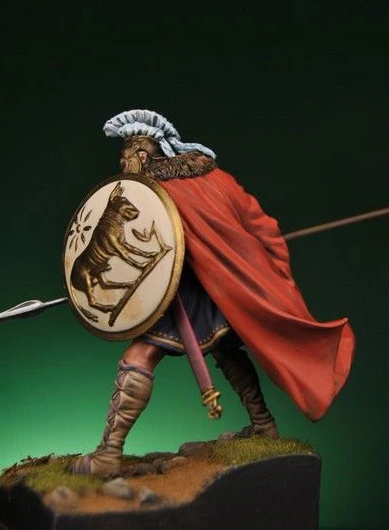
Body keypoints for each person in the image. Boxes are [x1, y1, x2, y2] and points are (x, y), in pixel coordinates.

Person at [72, 109, 355, 476]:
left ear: (143, 154)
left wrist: (247, 265)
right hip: (225, 292)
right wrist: (263, 271)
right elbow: (264, 228)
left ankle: (108, 455)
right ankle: (263, 424)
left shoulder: (154, 193)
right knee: (224, 346)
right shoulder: (217, 177)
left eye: (126, 159)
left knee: (140, 355)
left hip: (185, 295)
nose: (123, 167)